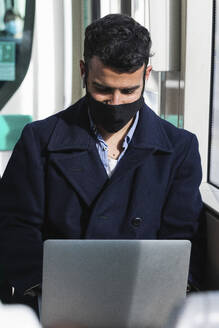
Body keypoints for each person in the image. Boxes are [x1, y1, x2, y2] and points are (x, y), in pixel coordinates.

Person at [0, 14, 205, 313]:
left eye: (129, 91)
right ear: (83, 71)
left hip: (144, 306)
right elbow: (16, 228)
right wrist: (45, 293)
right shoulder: (39, 141)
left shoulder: (180, 149)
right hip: (57, 305)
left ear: (146, 75)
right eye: (103, 89)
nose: (116, 102)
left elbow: (182, 239)